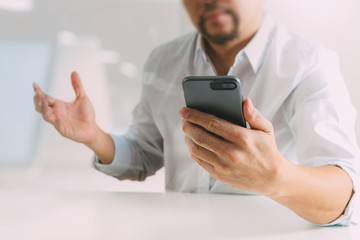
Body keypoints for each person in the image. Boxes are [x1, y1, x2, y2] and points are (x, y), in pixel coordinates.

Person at [33, 0, 359, 225]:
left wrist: (275, 177)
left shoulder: (308, 64)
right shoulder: (162, 62)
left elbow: (346, 193)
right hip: (177, 232)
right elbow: (144, 155)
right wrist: (95, 137)